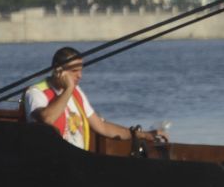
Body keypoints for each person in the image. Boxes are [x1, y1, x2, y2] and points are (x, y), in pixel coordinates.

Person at [24, 47, 167, 152]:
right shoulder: (36, 93)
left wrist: (142, 135)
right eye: (74, 71)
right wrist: (68, 89)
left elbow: (102, 127)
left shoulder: (77, 92)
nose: (80, 76)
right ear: (58, 71)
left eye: (81, 70)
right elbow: (47, 119)